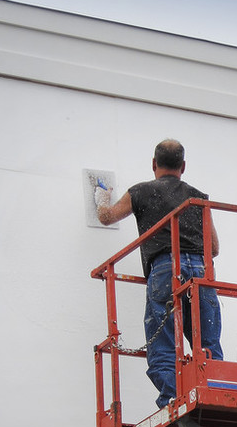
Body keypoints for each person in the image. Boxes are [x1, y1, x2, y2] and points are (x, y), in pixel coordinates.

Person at [95, 139, 223, 408]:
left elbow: (107, 217)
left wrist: (102, 195)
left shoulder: (140, 191)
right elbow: (213, 248)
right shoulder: (198, 198)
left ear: (154, 164)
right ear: (183, 167)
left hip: (165, 268)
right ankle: (213, 393)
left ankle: (172, 398)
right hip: (200, 271)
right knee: (207, 343)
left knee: (164, 342)